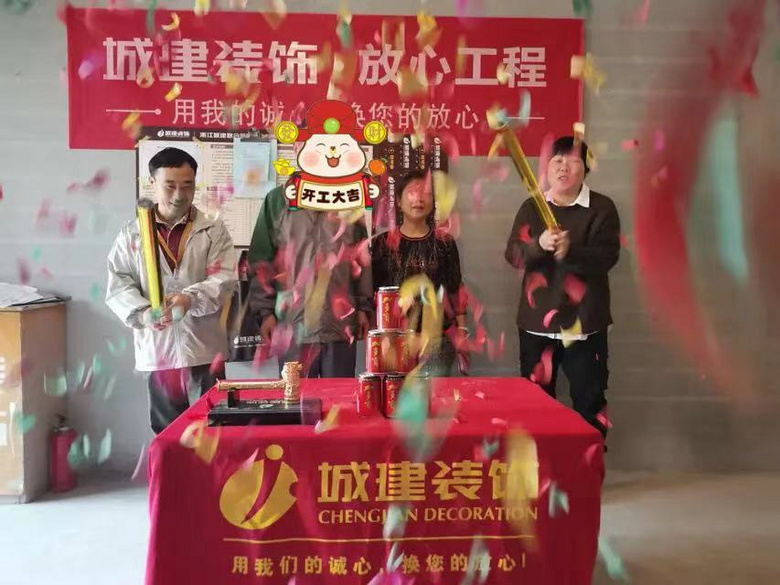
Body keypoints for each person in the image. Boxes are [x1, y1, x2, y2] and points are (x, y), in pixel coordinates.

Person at [106, 147, 238, 434]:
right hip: (158, 348)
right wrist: (142, 314)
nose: (179, 194)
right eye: (170, 185)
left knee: (214, 427)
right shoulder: (133, 233)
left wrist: (190, 299)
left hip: (205, 348)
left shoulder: (212, 229)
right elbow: (118, 283)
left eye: (187, 185)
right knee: (168, 431)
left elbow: (226, 278)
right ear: (152, 183)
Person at [504, 136, 620, 438]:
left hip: (586, 325)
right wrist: (538, 245)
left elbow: (608, 257)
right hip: (536, 326)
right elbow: (513, 255)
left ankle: (590, 463)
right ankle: (542, 464)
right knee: (536, 406)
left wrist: (572, 251)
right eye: (556, 160)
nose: (563, 167)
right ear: (546, 168)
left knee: (589, 404)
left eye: (572, 160)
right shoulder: (532, 207)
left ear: (586, 169)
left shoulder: (602, 208)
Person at [247, 187, 372, 378]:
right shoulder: (278, 200)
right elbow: (261, 259)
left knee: (338, 394)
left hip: (340, 325)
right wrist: (265, 312)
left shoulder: (348, 197)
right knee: (295, 393)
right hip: (292, 325)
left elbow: (360, 257)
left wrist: (363, 306)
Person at [371, 170, 468, 376]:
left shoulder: (445, 243)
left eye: (426, 193)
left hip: (436, 341)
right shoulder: (382, 244)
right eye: (411, 192)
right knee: (395, 395)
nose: (418, 199)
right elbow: (373, 293)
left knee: (432, 394)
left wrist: (462, 331)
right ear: (399, 201)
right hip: (393, 341)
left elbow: (455, 288)